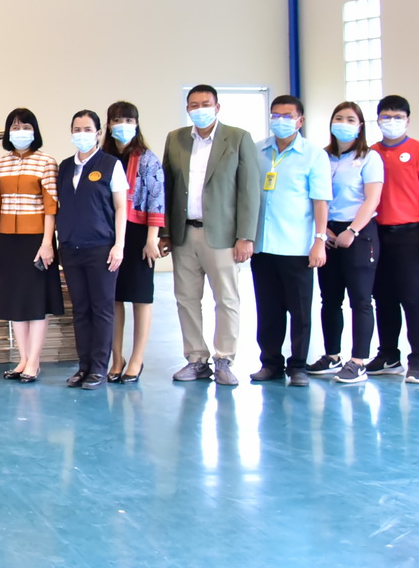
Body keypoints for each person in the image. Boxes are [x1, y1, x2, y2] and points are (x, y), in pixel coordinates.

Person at [160, 84, 261, 384]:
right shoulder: (176, 139)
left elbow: (249, 190)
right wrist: (165, 232)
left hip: (223, 237)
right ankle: (196, 359)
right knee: (186, 299)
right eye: (194, 104)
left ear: (217, 107)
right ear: (188, 109)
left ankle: (224, 360)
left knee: (226, 299)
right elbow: (167, 187)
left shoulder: (238, 138)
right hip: (184, 234)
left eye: (206, 104)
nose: (200, 109)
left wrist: (246, 236)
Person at [250, 95, 331, 387]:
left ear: (300, 121)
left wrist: (319, 240)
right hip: (263, 246)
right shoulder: (258, 150)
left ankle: (298, 366)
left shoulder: (313, 155)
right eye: (276, 115)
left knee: (299, 311)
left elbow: (320, 201)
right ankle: (270, 363)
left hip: (297, 247)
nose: (280, 121)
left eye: (287, 116)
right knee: (268, 310)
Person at [368, 94, 419, 384]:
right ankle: (388, 354)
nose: (391, 122)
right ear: (378, 120)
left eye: (397, 117)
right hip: (378, 234)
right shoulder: (371, 153)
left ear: (408, 121)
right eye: (386, 117)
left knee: (414, 299)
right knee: (383, 298)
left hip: (412, 234)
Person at [56, 111, 127, 389]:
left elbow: (120, 207)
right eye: (77, 129)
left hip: (101, 248)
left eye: (87, 129)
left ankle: (98, 367)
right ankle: (83, 366)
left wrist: (119, 245)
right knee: (80, 309)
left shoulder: (110, 164)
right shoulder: (65, 167)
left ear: (98, 133)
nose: (82, 134)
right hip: (71, 247)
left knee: (102, 309)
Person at [316, 102, 384, 384]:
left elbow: (372, 199)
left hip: (359, 232)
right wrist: (324, 231)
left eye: (350, 119)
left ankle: (358, 361)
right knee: (330, 299)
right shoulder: (322, 157)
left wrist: (352, 231)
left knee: (360, 300)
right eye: (339, 118)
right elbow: (315, 195)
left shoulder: (369, 158)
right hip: (327, 232)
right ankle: (332, 356)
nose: (343, 123)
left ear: (360, 126)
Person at [0, 107, 60, 383]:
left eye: (26, 127)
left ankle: (34, 360)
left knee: (36, 301)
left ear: (35, 131)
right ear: (8, 132)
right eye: (15, 127)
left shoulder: (46, 162)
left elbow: (51, 207)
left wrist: (47, 243)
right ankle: (22, 358)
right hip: (7, 239)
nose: (21, 132)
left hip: (36, 239)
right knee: (15, 300)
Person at [103, 101, 164, 383]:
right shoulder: (103, 157)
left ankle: (137, 359)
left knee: (140, 297)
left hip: (139, 234)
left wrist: (152, 239)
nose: (123, 125)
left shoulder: (148, 159)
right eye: (117, 120)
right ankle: (117, 357)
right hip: (108, 234)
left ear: (137, 124)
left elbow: (157, 199)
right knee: (114, 297)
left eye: (129, 120)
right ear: (108, 124)